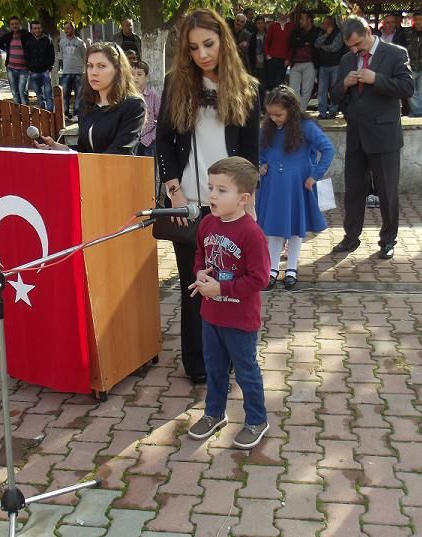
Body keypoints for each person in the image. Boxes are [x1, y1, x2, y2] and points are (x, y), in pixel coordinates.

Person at [155, 8, 260, 385]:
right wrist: (174, 190)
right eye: (194, 47)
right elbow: (164, 140)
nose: (202, 54)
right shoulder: (177, 83)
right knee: (194, 285)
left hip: (231, 207)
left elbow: (250, 154)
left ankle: (227, 359)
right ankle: (197, 364)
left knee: (228, 287)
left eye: (209, 44)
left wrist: (248, 209)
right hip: (191, 204)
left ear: (223, 42)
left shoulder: (247, 88)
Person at [187, 156, 270, 450]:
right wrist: (199, 271)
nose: (212, 195)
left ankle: (257, 420)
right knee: (214, 368)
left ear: (243, 199)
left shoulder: (251, 234)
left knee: (247, 372)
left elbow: (259, 279)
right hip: (212, 315)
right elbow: (200, 253)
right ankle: (213, 414)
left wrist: (221, 286)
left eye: (222, 190)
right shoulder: (207, 223)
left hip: (240, 319)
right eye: (211, 187)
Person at [331, 16, 413, 259]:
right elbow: (334, 95)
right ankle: (351, 237)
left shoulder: (396, 53)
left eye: (358, 44)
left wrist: (376, 79)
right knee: (353, 190)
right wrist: (344, 84)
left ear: (368, 32)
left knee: (387, 192)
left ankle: (388, 240)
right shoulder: (347, 60)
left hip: (384, 135)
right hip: (356, 134)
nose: (355, 50)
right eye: (351, 47)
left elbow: (407, 88)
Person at [257, 86, 333, 290]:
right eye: (270, 114)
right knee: (273, 228)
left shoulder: (306, 126)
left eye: (279, 114)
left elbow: (327, 149)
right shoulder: (268, 128)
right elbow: (260, 149)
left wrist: (314, 175)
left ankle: (291, 268)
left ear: (291, 109)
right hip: (273, 184)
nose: (274, 118)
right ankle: (272, 269)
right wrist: (260, 164)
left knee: (295, 227)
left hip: (298, 185)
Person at [34, 42, 144, 154]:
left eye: (101, 66)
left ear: (118, 70)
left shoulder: (133, 105)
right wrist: (59, 148)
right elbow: (85, 151)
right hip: (89, 170)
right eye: (90, 66)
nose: (93, 72)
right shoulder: (86, 104)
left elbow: (120, 152)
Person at [402, 11, 422, 117]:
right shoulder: (407, 32)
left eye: (420, 19)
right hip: (410, 67)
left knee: (421, 94)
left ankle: (414, 114)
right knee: (410, 91)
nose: (418, 22)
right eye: (416, 19)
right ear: (413, 20)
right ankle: (421, 113)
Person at [315, 15, 346, 119]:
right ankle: (322, 113)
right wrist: (326, 35)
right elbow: (316, 44)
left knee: (334, 90)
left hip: (335, 65)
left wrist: (322, 47)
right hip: (323, 65)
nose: (322, 25)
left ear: (330, 24)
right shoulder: (322, 33)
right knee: (321, 91)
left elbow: (335, 47)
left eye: (324, 23)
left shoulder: (338, 32)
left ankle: (333, 112)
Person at [288, 10, 320, 111]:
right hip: (296, 64)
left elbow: (313, 41)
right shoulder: (296, 31)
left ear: (309, 20)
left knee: (307, 90)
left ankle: (301, 112)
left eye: (302, 19)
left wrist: (301, 41)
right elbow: (292, 43)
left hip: (310, 63)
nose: (300, 21)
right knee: (293, 90)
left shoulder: (317, 31)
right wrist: (305, 42)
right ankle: (297, 111)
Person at [0, 16, 32, 104]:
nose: (14, 26)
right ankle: (18, 114)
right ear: (10, 26)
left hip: (24, 69)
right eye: (12, 24)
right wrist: (6, 48)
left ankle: (25, 114)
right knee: (14, 92)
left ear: (20, 24)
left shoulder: (27, 35)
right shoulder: (8, 36)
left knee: (22, 92)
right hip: (11, 68)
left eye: (16, 24)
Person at [60, 21, 87, 121]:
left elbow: (84, 56)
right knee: (65, 95)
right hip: (66, 72)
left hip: (78, 72)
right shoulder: (62, 42)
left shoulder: (80, 42)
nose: (67, 30)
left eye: (69, 28)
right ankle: (66, 114)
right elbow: (62, 56)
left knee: (78, 95)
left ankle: (76, 114)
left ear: (73, 29)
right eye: (65, 28)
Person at [131, 60, 160, 157]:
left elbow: (162, 120)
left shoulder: (153, 96)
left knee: (149, 171)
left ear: (146, 77)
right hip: (131, 142)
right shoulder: (126, 97)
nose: (135, 78)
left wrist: (151, 137)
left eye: (139, 74)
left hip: (149, 142)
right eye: (132, 74)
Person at [25, 21, 55, 112]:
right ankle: (43, 112)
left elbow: (52, 55)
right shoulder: (29, 41)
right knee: (38, 95)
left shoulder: (47, 40)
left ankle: (50, 113)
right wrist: (29, 68)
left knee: (48, 94)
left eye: (39, 28)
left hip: (45, 71)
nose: (37, 30)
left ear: (41, 28)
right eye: (35, 28)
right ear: (32, 30)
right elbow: (27, 56)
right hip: (33, 72)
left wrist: (49, 68)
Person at [264, 10, 295, 90]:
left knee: (278, 83)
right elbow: (266, 42)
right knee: (270, 83)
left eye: (285, 11)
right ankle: (270, 101)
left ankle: (276, 100)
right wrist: (267, 55)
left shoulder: (292, 26)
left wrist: (288, 59)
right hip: (272, 58)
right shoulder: (273, 26)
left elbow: (292, 45)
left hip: (284, 60)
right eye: (281, 11)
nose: (283, 14)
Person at [247, 15, 268, 105]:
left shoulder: (268, 34)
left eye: (262, 23)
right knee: (255, 87)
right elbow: (250, 51)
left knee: (264, 87)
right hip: (255, 64)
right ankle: (257, 107)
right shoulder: (252, 36)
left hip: (266, 65)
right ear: (255, 25)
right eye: (258, 23)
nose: (260, 25)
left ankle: (263, 106)